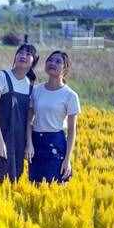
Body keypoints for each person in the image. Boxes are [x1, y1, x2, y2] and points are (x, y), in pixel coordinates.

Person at [25, 50, 80, 184]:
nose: (52, 63)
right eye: (50, 60)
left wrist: (67, 159)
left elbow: (72, 132)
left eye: (58, 61)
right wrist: (29, 144)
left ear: (65, 68)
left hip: (56, 143)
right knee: (34, 188)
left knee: (57, 186)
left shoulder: (70, 96)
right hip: (36, 144)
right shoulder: (36, 90)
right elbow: (29, 121)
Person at [0, 43, 39, 182]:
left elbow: (29, 119)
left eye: (28, 54)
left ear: (33, 61)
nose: (23, 55)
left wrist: (29, 143)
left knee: (15, 182)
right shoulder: (2, 76)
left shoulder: (31, 86)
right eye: (20, 52)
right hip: (1, 137)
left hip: (19, 142)